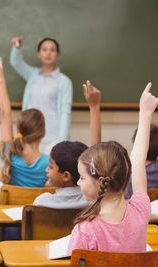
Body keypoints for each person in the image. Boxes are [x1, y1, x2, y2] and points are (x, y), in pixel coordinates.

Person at [68, 83, 158, 253]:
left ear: (100, 182)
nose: (78, 182)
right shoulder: (141, 210)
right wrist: (145, 114)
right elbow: (138, 161)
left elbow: (137, 161)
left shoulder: (85, 232)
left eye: (82, 177)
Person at [33, 81, 101, 209]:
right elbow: (95, 155)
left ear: (66, 176)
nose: (46, 170)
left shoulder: (42, 202)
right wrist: (94, 106)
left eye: (51, 167)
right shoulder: (92, 202)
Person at [0, 57, 49, 187]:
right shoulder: (49, 163)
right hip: (33, 208)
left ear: (20, 130)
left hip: (4, 208)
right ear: (43, 132)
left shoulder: (9, 153)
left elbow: (6, 114)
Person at [10, 36, 73, 153]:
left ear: (58, 55)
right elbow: (16, 62)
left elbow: (65, 113)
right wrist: (17, 48)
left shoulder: (64, 81)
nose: (48, 53)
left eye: (52, 50)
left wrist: (62, 142)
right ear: (38, 54)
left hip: (53, 138)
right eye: (44, 49)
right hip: (29, 136)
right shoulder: (32, 76)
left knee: (49, 170)